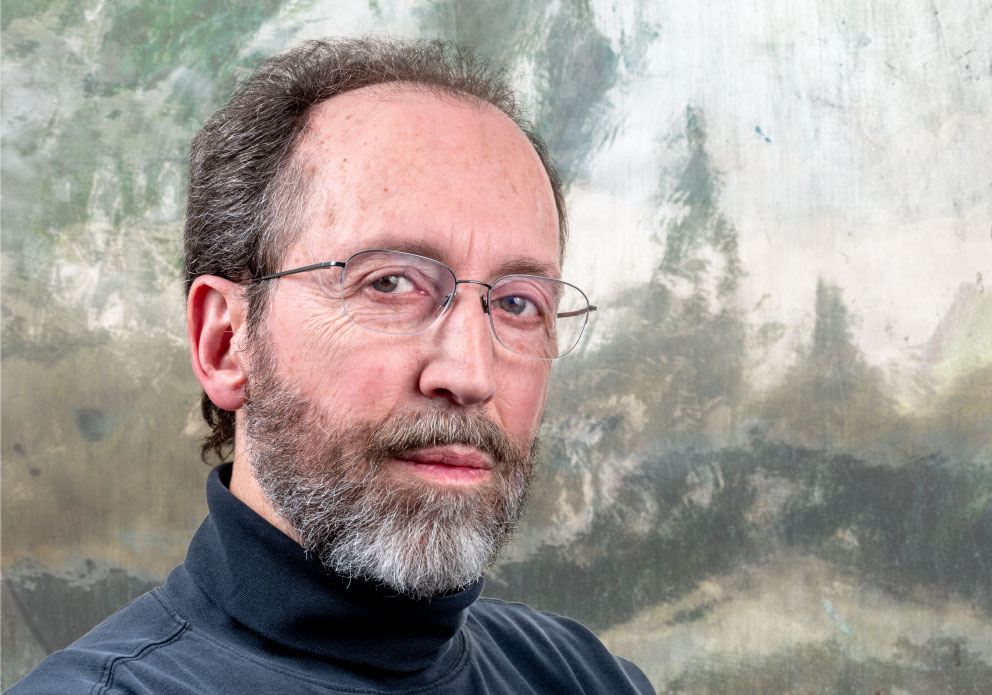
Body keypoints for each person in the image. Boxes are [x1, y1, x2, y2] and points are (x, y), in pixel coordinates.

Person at [10, 36, 653, 694]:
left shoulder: (583, 676)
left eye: (519, 302)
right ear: (226, 343)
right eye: (389, 285)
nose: (469, 374)